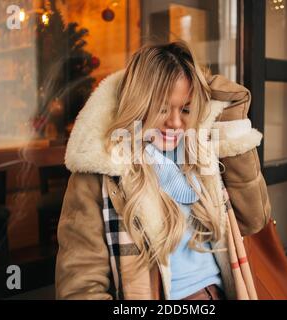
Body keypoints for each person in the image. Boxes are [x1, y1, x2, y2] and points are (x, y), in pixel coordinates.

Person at [55, 40, 271, 300]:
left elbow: (254, 219)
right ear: (139, 104)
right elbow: (80, 289)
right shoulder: (100, 176)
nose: (175, 123)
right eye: (162, 108)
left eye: (186, 108)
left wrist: (233, 121)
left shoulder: (201, 153)